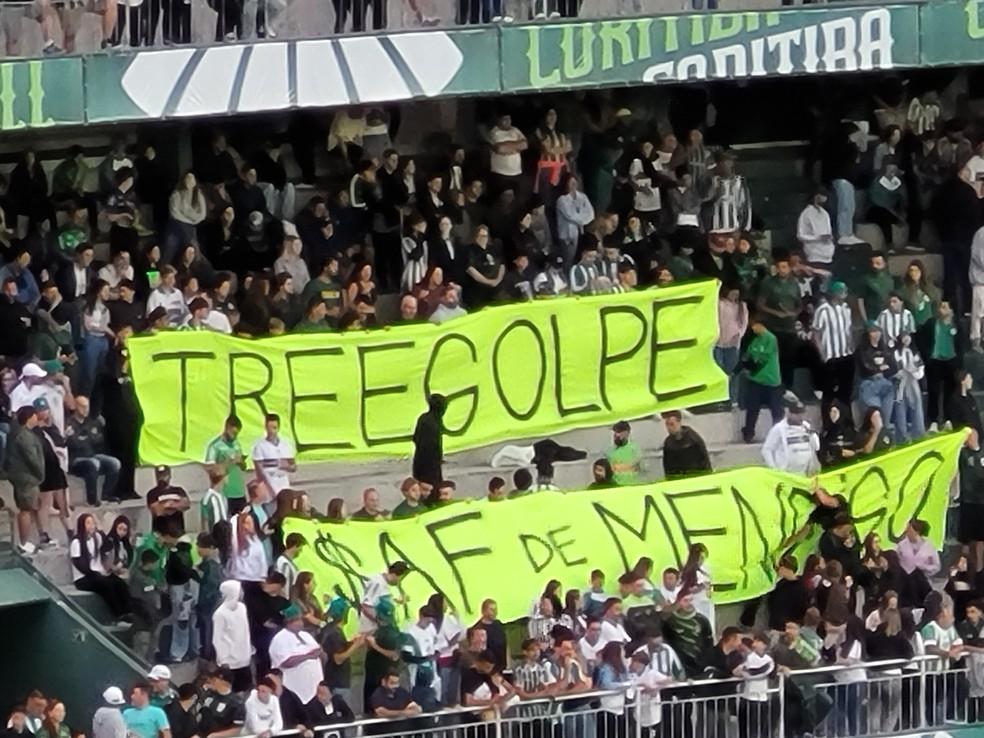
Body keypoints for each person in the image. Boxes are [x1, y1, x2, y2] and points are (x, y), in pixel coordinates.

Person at [71, 513, 131, 619]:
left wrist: (101, 531)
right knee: (107, 585)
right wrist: (96, 574)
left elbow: (108, 545)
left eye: (92, 522)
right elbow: (79, 565)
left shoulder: (97, 537)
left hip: (99, 573)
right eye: (88, 523)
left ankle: (128, 611)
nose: (91, 525)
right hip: (84, 578)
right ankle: (118, 614)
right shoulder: (77, 542)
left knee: (120, 584)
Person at [66, 395, 121, 505]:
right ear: (76, 407)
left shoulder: (92, 422)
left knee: (115, 463)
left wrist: (84, 438)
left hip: (91, 454)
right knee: (93, 464)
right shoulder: (68, 423)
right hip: (76, 459)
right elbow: (74, 444)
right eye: (82, 407)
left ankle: (106, 494)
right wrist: (85, 439)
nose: (86, 410)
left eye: (87, 407)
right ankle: (92, 499)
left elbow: (98, 440)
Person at [6, 406, 46, 554]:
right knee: (25, 510)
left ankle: (27, 540)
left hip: (28, 477)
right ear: (30, 417)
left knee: (29, 508)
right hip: (26, 478)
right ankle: (23, 543)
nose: (37, 417)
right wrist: (40, 473)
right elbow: (32, 458)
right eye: (35, 415)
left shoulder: (25, 434)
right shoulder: (24, 436)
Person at [741, 315, 783, 443]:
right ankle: (749, 433)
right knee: (752, 409)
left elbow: (763, 359)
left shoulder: (770, 338)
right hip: (756, 380)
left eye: (755, 325)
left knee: (776, 411)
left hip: (771, 381)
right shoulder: (755, 340)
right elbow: (747, 355)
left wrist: (751, 367)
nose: (753, 328)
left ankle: (780, 434)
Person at [212, 580, 254, 694]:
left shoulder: (242, 608)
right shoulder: (220, 614)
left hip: (244, 656)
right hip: (230, 661)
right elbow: (217, 638)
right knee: (232, 690)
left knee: (246, 687)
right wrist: (223, 658)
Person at [857, 322, 899, 433]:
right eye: (873, 331)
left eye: (878, 331)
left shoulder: (885, 348)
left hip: (885, 383)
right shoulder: (862, 350)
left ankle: (885, 431)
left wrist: (880, 369)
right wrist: (881, 368)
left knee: (885, 419)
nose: (876, 334)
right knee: (875, 416)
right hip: (869, 383)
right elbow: (865, 368)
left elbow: (894, 367)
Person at [761, 396, 820, 475]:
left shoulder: (807, 427)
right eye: (797, 414)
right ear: (789, 413)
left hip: (804, 473)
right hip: (786, 474)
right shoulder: (779, 428)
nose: (800, 417)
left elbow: (816, 447)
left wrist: (812, 433)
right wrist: (774, 469)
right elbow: (766, 450)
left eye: (802, 414)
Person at [204, 415, 248, 515]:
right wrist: (231, 461)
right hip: (224, 492)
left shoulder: (237, 444)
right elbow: (212, 471)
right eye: (233, 432)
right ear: (227, 427)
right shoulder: (215, 446)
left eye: (237, 433)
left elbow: (242, 467)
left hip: (239, 491)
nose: (235, 436)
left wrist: (242, 463)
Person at [252, 413, 296, 495]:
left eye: (274, 428)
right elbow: (259, 472)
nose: (272, 431)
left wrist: (286, 466)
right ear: (265, 428)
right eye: (269, 428)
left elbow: (294, 467)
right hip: (269, 490)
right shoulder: (260, 446)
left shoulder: (286, 445)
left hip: (284, 489)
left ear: (278, 428)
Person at [661, 410, 711, 478]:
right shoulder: (668, 443)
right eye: (667, 424)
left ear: (679, 422)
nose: (669, 428)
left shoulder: (693, 439)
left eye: (672, 424)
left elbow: (705, 460)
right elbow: (667, 467)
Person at [196, 668, 244, 738]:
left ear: (224, 682)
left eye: (215, 680)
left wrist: (214, 736)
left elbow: (237, 729)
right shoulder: (208, 694)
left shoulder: (236, 702)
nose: (211, 682)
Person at [146, 465, 190, 539]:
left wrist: (167, 505)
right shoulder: (152, 493)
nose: (162, 478)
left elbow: (186, 504)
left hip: (178, 533)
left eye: (164, 475)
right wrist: (175, 505)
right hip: (160, 535)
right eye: (159, 475)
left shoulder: (178, 490)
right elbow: (157, 511)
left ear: (169, 476)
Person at [961, 431, 984, 574]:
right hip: (968, 501)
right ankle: (968, 569)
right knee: (968, 541)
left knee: (980, 539)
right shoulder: (963, 454)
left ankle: (979, 568)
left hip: (981, 501)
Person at [412, 394, 446, 489]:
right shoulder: (435, 422)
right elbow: (435, 444)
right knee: (431, 489)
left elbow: (415, 438)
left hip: (419, 461)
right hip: (431, 465)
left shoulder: (423, 418)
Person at [797, 187, 835, 264]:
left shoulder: (825, 213)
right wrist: (818, 238)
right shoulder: (806, 213)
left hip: (828, 255)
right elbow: (800, 235)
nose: (825, 198)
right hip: (814, 255)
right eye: (823, 195)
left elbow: (829, 232)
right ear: (816, 196)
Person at [607, 420, 642, 485]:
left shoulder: (634, 448)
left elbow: (636, 467)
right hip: (616, 487)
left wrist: (618, 467)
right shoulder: (610, 451)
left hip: (632, 486)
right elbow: (610, 470)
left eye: (618, 431)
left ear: (627, 433)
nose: (615, 434)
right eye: (614, 431)